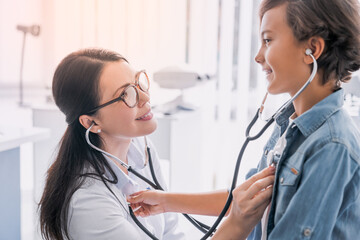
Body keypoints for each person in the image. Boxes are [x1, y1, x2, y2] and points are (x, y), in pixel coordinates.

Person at [128, 0, 360, 239]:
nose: (258, 57)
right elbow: (246, 202)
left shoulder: (331, 146)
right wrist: (165, 202)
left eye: (268, 40)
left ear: (312, 49)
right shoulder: (290, 125)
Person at [38, 48, 275, 240]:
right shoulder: (87, 203)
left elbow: (172, 233)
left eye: (139, 83)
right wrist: (236, 225)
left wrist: (168, 201)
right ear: (92, 122)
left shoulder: (140, 148)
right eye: (126, 95)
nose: (145, 97)